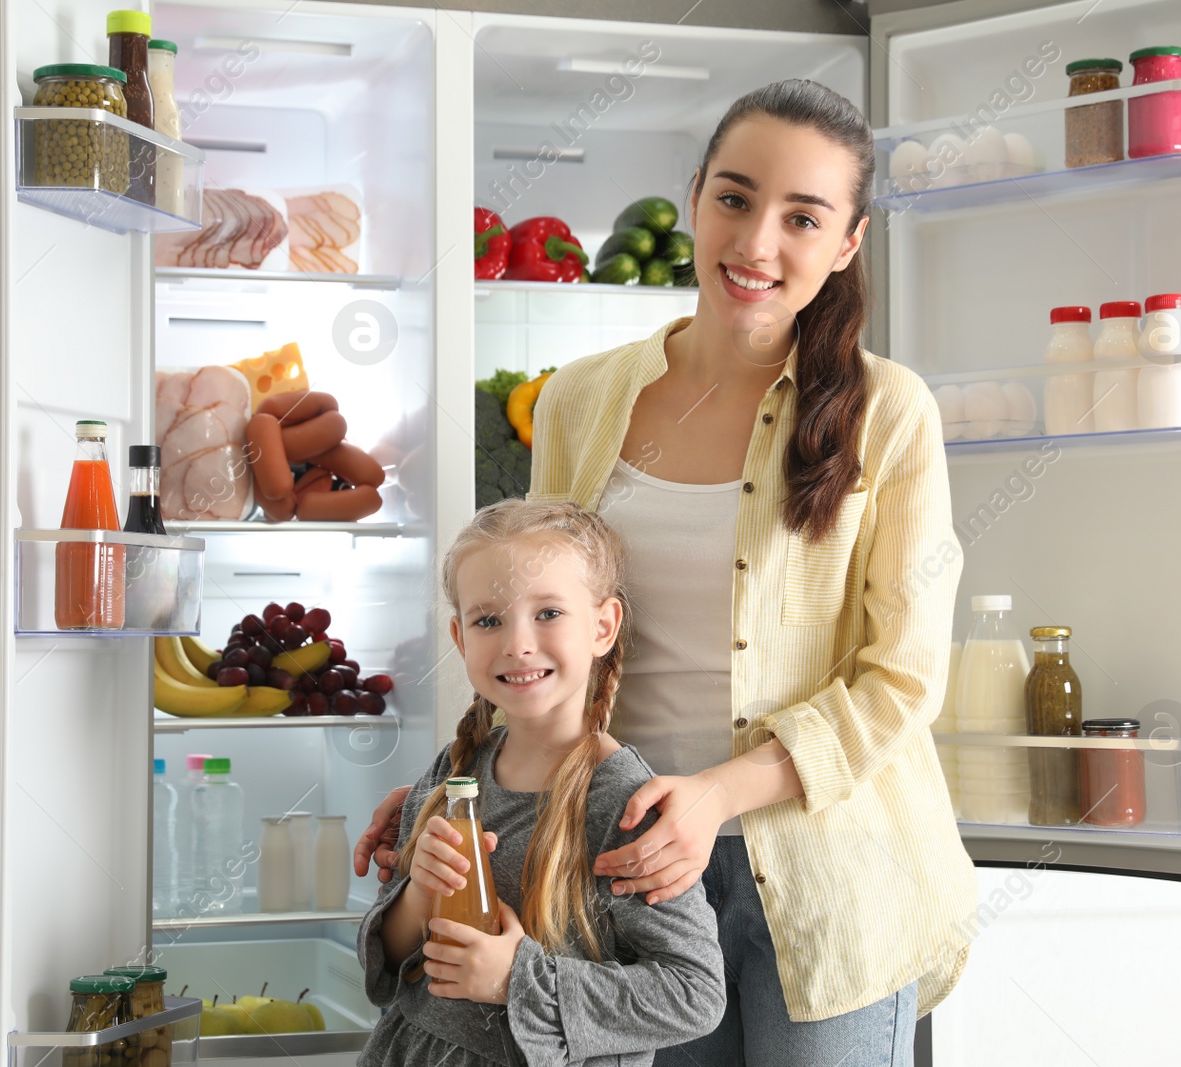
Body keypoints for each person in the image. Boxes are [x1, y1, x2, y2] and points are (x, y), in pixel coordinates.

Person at [358, 79, 977, 1065]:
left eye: (801, 217)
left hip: (830, 870)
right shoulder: (579, 399)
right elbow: (539, 627)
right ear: (694, 197)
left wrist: (716, 795)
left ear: (849, 241)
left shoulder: (888, 412)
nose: (756, 243)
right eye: (733, 198)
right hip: (617, 865)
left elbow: (900, 677)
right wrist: (458, 778)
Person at [355, 498, 725, 1067]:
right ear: (460, 638)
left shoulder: (623, 805)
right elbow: (392, 960)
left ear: (603, 626)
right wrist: (420, 892)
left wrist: (516, 980)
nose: (516, 643)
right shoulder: (454, 771)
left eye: (548, 613)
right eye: (488, 620)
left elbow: (692, 995)